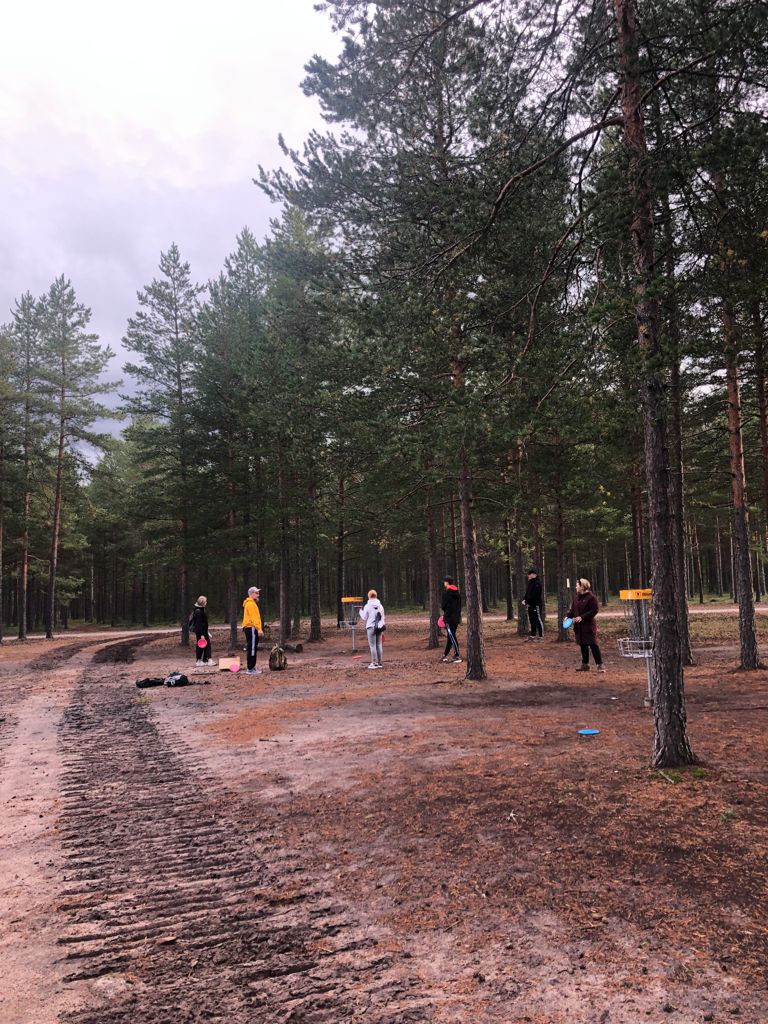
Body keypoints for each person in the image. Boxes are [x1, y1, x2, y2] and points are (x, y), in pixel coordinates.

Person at [567, 578, 605, 672]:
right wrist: (567, 617)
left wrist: (582, 617)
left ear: (582, 587)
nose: (576, 587)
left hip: (588, 626)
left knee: (593, 644)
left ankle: (600, 665)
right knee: (582, 644)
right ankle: (585, 665)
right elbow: (572, 611)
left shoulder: (591, 598)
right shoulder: (576, 598)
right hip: (579, 626)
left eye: (577, 585)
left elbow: (594, 610)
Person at [359, 589, 386, 668]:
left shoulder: (368, 606)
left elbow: (364, 617)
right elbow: (383, 617)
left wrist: (360, 611)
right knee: (379, 644)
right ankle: (379, 662)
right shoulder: (380, 606)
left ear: (369, 596)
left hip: (371, 627)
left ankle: (374, 663)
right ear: (376, 596)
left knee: (372, 645)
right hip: (379, 627)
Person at [242, 586, 264, 675]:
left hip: (251, 628)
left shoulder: (251, 603)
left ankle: (252, 667)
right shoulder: (250, 604)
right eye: (256, 593)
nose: (258, 594)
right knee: (252, 648)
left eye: (258, 593)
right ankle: (250, 668)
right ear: (251, 594)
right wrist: (259, 629)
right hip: (251, 628)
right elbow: (254, 618)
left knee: (252, 647)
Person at [440, 576, 462, 664]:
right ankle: (445, 654)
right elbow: (459, 606)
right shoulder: (458, 594)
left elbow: (443, 606)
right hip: (456, 618)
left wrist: (446, 614)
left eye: (444, 582)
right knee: (450, 637)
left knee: (452, 636)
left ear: (447, 582)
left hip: (449, 619)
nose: (444, 583)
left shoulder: (446, 593)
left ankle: (457, 656)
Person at [189, 595, 212, 668]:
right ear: (203, 602)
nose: (206, 602)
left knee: (205, 645)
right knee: (202, 645)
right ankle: (200, 661)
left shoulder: (200, 609)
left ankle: (204, 660)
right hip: (201, 632)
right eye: (205, 601)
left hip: (203, 631)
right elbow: (198, 624)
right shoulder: (198, 611)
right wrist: (201, 634)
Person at [522, 569, 544, 640]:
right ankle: (532, 635)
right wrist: (524, 599)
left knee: (538, 619)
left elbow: (535, 595)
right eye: (528, 574)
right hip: (530, 605)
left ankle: (541, 636)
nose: (529, 575)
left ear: (535, 575)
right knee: (531, 620)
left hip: (536, 605)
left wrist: (526, 601)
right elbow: (527, 593)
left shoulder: (537, 584)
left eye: (530, 574)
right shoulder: (530, 583)